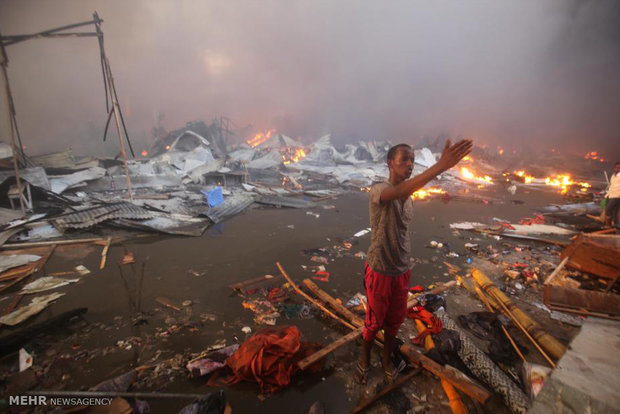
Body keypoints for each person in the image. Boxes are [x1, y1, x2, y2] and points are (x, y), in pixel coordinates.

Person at [356, 139, 473, 384]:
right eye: (404, 160)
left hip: (401, 271)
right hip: (379, 270)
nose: (409, 164)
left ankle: (386, 359)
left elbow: (404, 201)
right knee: (373, 323)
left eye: (411, 160)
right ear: (390, 163)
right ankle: (364, 357)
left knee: (395, 322)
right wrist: (440, 166)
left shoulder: (409, 197)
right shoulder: (379, 190)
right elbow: (398, 192)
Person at [605, 161, 620, 231]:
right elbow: (611, 186)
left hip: (617, 196)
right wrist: (607, 194)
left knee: (608, 209)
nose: (617, 169)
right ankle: (616, 226)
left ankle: (608, 226)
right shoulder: (613, 176)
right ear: (614, 168)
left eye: (619, 168)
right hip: (610, 195)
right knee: (614, 212)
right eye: (616, 167)